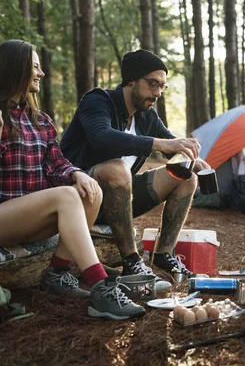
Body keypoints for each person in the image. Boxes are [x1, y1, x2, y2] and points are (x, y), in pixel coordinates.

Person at [0, 39, 144, 320]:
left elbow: (56, 163)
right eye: (35, 67)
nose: (41, 74)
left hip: (28, 219)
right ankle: (101, 287)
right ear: (15, 68)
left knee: (90, 192)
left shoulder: (40, 120)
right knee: (67, 196)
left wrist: (77, 174)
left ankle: (57, 273)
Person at [60, 49, 211, 287]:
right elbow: (102, 137)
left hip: (117, 201)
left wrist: (191, 157)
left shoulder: (145, 117)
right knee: (117, 168)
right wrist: (161, 144)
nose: (158, 93)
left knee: (186, 177)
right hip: (80, 197)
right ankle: (131, 261)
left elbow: (172, 145)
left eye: (162, 87)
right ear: (131, 80)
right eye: (152, 84)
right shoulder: (98, 100)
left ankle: (164, 254)